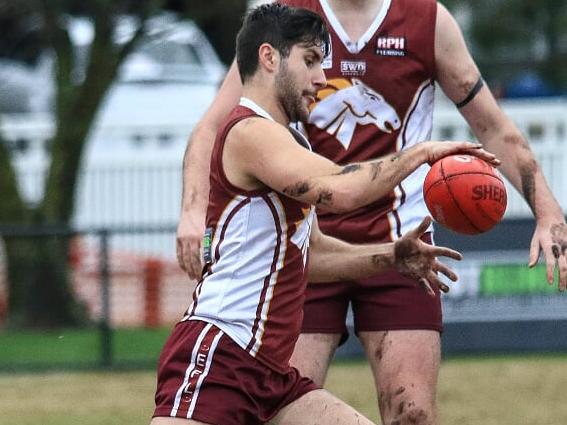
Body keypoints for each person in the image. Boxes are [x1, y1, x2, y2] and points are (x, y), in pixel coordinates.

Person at [176, 1, 567, 424]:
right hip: (301, 246)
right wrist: (194, 211)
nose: (319, 77)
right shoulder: (286, 24)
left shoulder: (426, 20)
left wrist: (548, 214)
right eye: (311, 62)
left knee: (412, 412)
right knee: (271, 408)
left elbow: (493, 126)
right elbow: (220, 126)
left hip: (400, 241)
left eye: (319, 62)